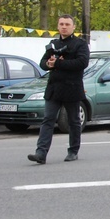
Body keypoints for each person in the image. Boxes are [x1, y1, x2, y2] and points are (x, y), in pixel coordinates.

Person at [28, 15, 90, 164]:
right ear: (58, 26)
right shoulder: (53, 43)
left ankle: (73, 150)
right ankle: (41, 153)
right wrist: (49, 64)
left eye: (67, 24)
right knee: (48, 120)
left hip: (72, 88)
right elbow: (43, 63)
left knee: (74, 121)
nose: (64, 27)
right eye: (61, 24)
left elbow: (82, 63)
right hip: (54, 88)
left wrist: (59, 64)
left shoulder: (80, 44)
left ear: (73, 27)